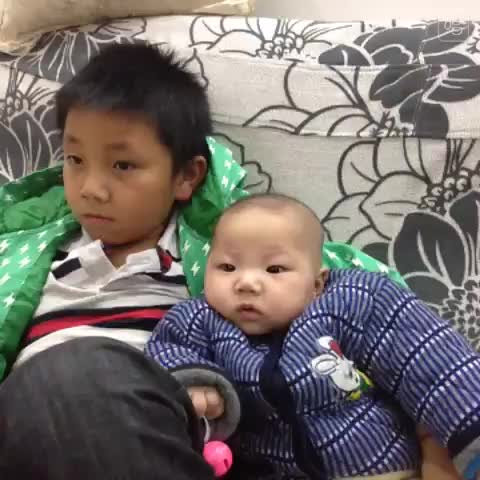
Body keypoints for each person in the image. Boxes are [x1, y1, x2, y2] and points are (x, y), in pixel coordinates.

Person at [146, 193, 480, 480]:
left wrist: (469, 425)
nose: (245, 283)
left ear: (316, 282)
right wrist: (194, 383)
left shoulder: (352, 301)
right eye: (227, 267)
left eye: (275, 269)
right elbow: (163, 352)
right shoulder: (199, 320)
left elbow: (428, 355)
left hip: (376, 465)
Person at [0, 43, 218, 480]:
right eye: (75, 160)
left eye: (122, 165)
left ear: (186, 176)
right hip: (22, 433)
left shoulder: (219, 265)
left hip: (155, 428)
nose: (90, 189)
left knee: (76, 372)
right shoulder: (25, 260)